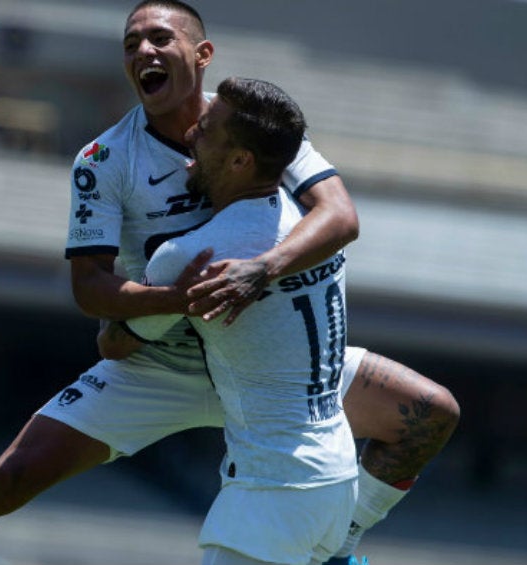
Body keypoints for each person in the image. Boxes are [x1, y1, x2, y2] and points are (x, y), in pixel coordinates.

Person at [0, 2, 459, 564]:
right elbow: (90, 288)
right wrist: (180, 300)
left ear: (202, 53)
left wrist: (260, 271)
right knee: (11, 476)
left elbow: (341, 216)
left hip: (266, 364)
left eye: (160, 39)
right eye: (131, 45)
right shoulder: (104, 159)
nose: (143, 52)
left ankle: (339, 547)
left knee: (430, 413)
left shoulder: (253, 124)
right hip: (161, 362)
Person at [112, 75, 359, 565]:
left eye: (205, 130)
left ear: (241, 160)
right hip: (336, 474)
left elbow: (115, 347)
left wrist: (133, 276)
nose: (190, 135)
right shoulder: (307, 224)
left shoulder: (192, 256)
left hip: (275, 486)